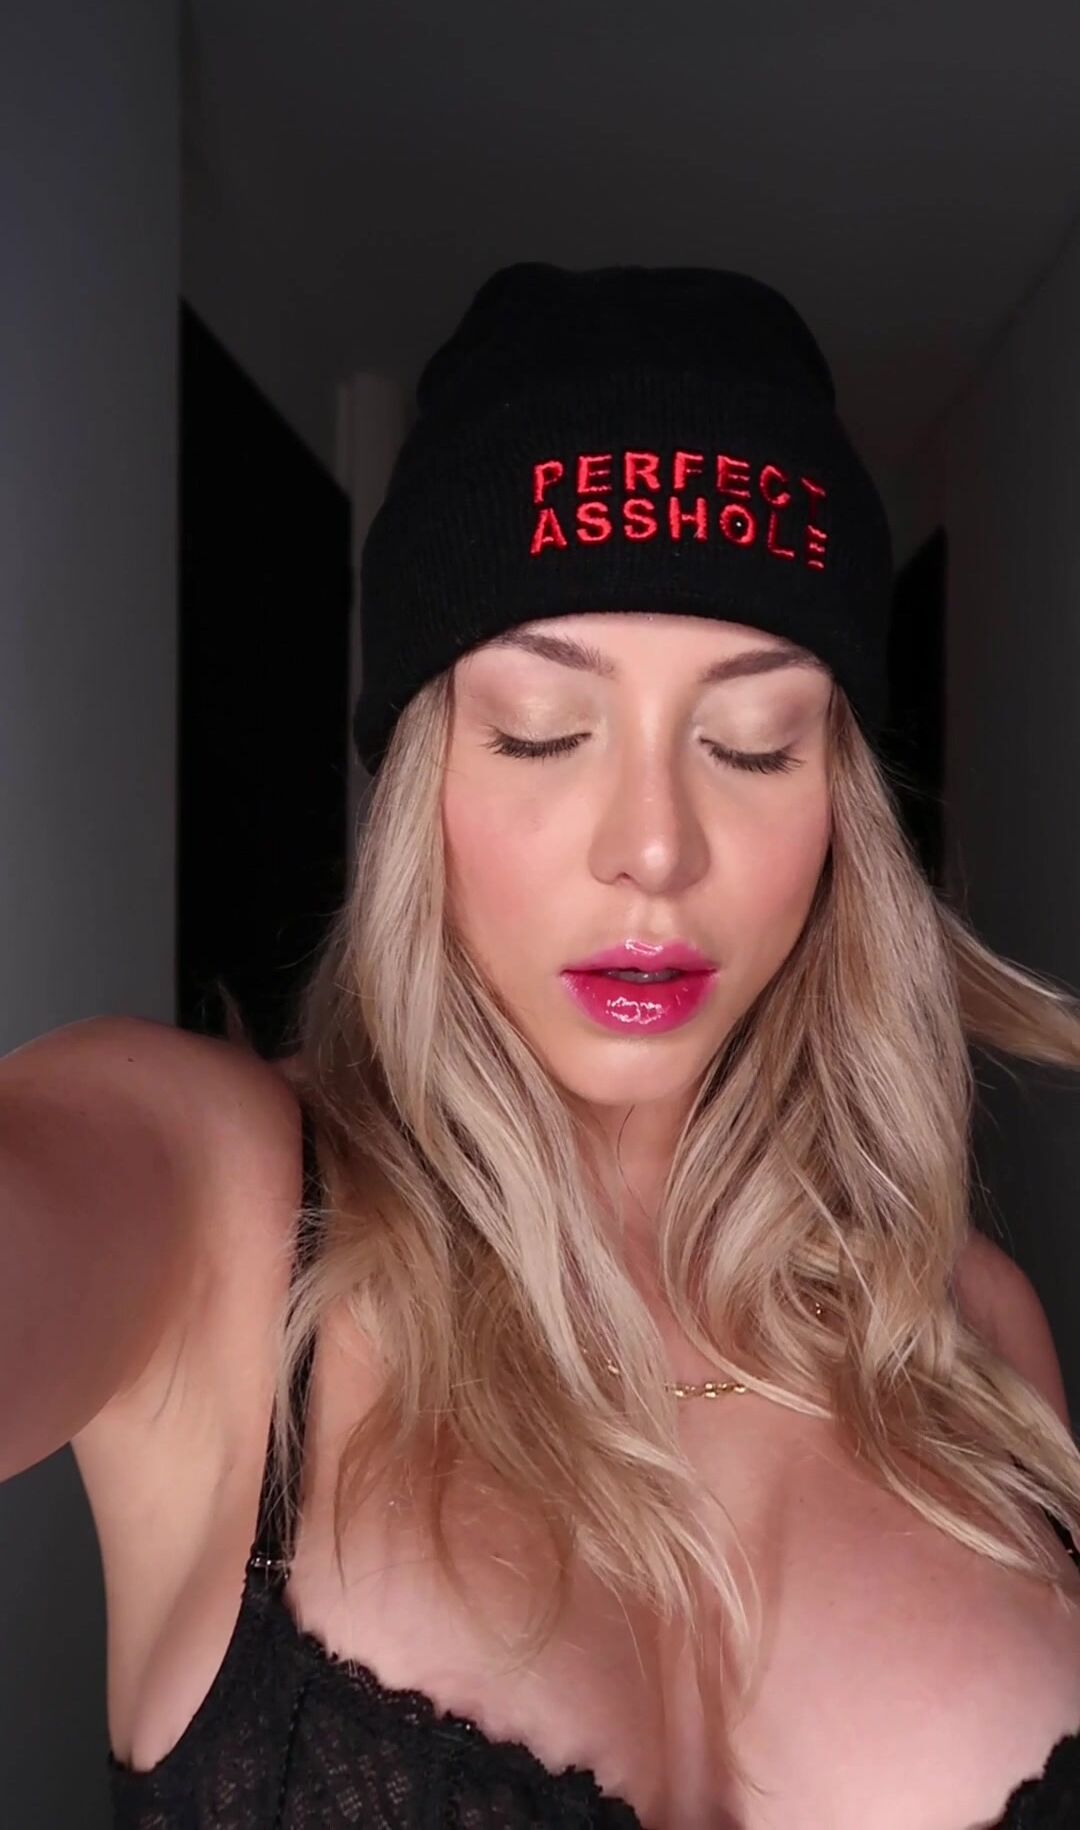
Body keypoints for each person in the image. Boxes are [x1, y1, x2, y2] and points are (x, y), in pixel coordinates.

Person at [3, 262, 1080, 1830]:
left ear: (840, 805)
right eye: (541, 730)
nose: (654, 844)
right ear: (420, 782)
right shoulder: (214, 1211)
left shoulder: (971, 1325)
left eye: (752, 742)